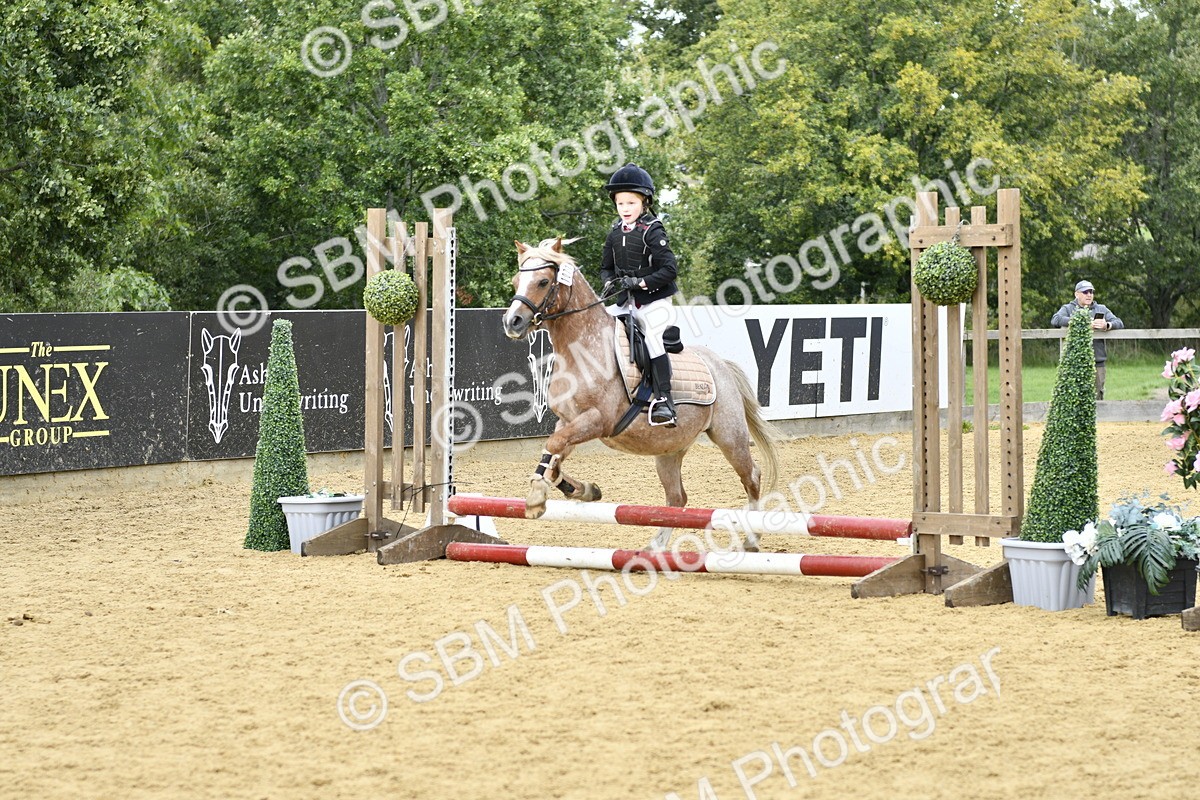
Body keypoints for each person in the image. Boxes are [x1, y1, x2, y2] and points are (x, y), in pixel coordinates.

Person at [600, 163, 680, 427]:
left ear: (644, 202)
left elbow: (670, 269)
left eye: (631, 203)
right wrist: (610, 282)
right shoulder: (614, 232)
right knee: (597, 323)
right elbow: (605, 268)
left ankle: (665, 402)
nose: (625, 209)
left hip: (655, 302)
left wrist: (641, 282)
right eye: (620, 203)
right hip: (625, 303)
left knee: (652, 336)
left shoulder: (653, 230)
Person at [1051, 279, 1124, 399]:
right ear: (1076, 294)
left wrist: (1107, 325)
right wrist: (1082, 323)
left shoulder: (1101, 309)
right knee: (1073, 398)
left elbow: (1119, 322)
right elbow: (1056, 319)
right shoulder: (1068, 308)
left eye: (1091, 292)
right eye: (1085, 292)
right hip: (1074, 363)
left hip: (1097, 361)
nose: (1089, 295)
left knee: (1098, 396)